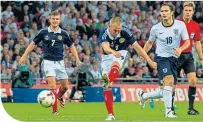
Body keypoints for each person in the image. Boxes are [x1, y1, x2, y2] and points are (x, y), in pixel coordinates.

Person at [19, 11, 81, 115]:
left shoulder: (64, 33)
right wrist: (24, 56)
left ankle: (60, 96)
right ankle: (55, 110)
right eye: (53, 19)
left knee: (65, 87)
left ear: (59, 20)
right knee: (52, 83)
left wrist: (78, 59)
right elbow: (32, 44)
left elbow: (72, 47)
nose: (55, 21)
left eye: (57, 19)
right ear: (50, 20)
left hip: (60, 62)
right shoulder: (43, 32)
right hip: (48, 62)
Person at [99, 16, 157, 120]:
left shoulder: (125, 31)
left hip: (121, 53)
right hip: (107, 56)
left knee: (115, 66)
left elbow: (138, 48)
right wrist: (113, 52)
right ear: (109, 26)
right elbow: (105, 48)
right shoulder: (104, 33)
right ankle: (111, 114)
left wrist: (149, 61)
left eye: (119, 30)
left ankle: (107, 79)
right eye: (114, 30)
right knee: (107, 87)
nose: (117, 32)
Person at [138, 3, 190, 118]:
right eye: (162, 11)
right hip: (161, 58)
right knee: (169, 80)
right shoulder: (156, 28)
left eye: (166, 11)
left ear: (172, 13)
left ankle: (144, 96)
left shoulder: (180, 25)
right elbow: (150, 42)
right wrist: (144, 52)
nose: (163, 13)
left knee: (168, 89)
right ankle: (168, 112)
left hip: (175, 59)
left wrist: (181, 49)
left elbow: (187, 42)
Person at [174, 1, 202, 115]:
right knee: (172, 83)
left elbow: (197, 43)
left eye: (190, 11)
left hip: (188, 56)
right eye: (186, 10)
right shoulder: (176, 23)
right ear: (183, 11)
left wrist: (201, 58)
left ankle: (191, 108)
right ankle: (170, 108)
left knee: (193, 80)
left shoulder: (195, 25)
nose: (188, 12)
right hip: (175, 55)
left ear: (193, 12)